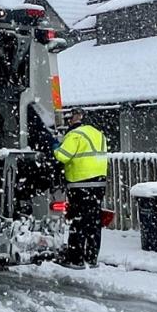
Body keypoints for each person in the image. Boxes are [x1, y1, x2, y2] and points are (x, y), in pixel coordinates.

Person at [52, 108, 109, 267]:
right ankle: (91, 258)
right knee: (93, 221)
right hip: (99, 183)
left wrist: (55, 146)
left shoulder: (74, 135)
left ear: (71, 121)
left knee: (79, 222)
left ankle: (75, 259)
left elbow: (62, 156)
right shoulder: (98, 134)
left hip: (80, 184)